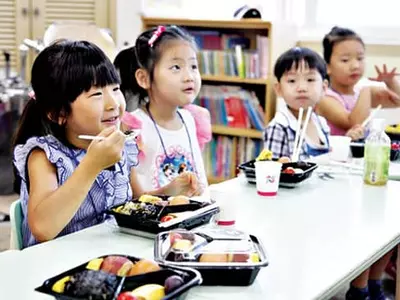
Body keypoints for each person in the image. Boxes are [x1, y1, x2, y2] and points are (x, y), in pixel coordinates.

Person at [12, 40, 198, 248]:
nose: (113, 104)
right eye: (97, 94)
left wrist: (170, 191)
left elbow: (137, 201)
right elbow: (43, 228)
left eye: (115, 89)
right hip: (55, 267)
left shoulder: (123, 145)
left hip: (106, 257)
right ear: (59, 113)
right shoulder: (45, 156)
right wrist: (92, 165)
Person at [113, 25, 208, 195]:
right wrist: (168, 191)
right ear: (144, 78)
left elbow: (201, 181)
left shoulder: (192, 119)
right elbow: (134, 199)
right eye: (176, 67)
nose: (189, 76)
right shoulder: (132, 127)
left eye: (193, 66)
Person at [264, 47, 364, 160]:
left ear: (324, 87)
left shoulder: (321, 123)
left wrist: (346, 140)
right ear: (279, 89)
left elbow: (328, 160)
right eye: (292, 80)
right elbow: (271, 172)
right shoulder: (279, 127)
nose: (302, 88)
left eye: (310, 80)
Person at [317, 26, 400, 136]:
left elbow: (396, 101)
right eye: (345, 60)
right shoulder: (324, 97)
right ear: (327, 66)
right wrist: (367, 91)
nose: (355, 66)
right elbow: (353, 123)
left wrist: (391, 83)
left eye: (360, 58)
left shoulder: (360, 92)